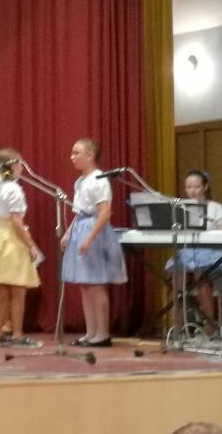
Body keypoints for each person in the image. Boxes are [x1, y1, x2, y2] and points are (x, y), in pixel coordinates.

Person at [61, 138, 127, 347]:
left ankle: (103, 333)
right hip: (81, 228)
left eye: (77, 153)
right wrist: (68, 233)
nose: (72, 157)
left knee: (95, 284)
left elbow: (104, 213)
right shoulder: (79, 182)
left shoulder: (99, 179)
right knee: (84, 284)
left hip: (94, 231)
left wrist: (89, 238)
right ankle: (91, 332)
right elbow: (80, 212)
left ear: (90, 156)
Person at [0, 149, 42, 346]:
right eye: (20, 163)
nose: (22, 167)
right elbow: (16, 222)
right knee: (18, 290)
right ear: (13, 165)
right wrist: (30, 245)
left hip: (1, 238)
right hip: (12, 240)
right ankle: (17, 334)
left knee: (3, 290)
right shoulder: (14, 189)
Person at [165, 170, 222, 330]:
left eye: (196, 187)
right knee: (177, 275)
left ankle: (209, 327)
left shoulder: (216, 208)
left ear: (205, 187)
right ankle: (179, 328)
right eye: (189, 187)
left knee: (201, 276)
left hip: (211, 254)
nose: (192, 191)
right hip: (188, 254)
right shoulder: (181, 207)